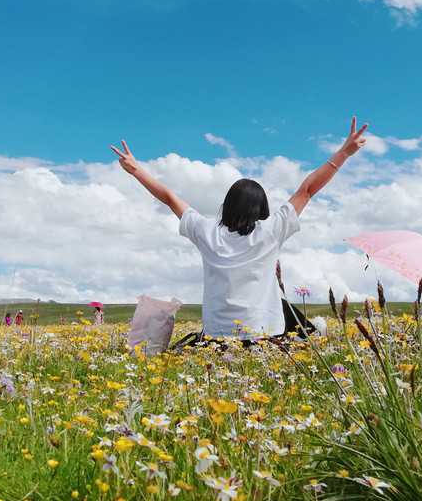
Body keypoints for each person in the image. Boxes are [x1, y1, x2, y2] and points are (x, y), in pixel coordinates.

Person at [111, 117, 368, 341]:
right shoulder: (270, 230)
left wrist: (136, 170)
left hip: (216, 338)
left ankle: (308, 330)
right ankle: (312, 332)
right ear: (261, 208)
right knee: (281, 305)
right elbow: (307, 191)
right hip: (265, 336)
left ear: (228, 205)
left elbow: (169, 198)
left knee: (278, 303)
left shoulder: (205, 231)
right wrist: (343, 153)